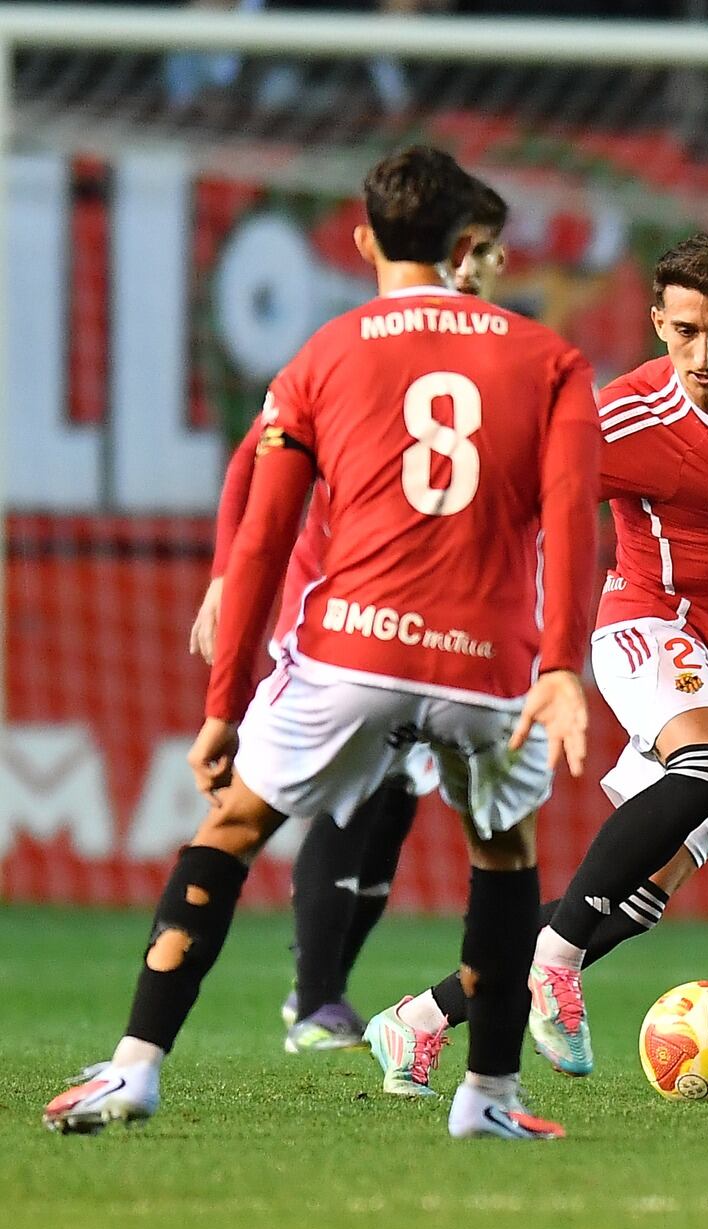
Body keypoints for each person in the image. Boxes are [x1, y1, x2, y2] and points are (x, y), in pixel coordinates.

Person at [43, 146, 599, 1140]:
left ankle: (134, 1071)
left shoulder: (323, 355)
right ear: (467, 246)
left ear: (363, 241)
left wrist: (223, 705)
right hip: (485, 663)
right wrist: (561, 665)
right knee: (504, 855)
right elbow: (571, 516)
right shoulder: (547, 358)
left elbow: (262, 542)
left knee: (230, 830)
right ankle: (487, 1098)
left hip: (352, 652)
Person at [363, 232, 708, 1097]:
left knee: (634, 899)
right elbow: (522, 499)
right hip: (653, 621)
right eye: (684, 332)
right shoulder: (629, 418)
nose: (703, 354)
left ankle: (417, 1020)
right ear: (657, 324)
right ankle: (553, 966)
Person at [189, 182, 514, 1055]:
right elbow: (252, 465)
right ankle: (317, 999)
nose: (478, 267)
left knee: (393, 804)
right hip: (341, 609)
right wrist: (225, 574)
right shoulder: (362, 344)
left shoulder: (509, 358)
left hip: (442, 618)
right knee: (359, 788)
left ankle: (321, 995)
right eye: (470, 248)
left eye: (489, 251)